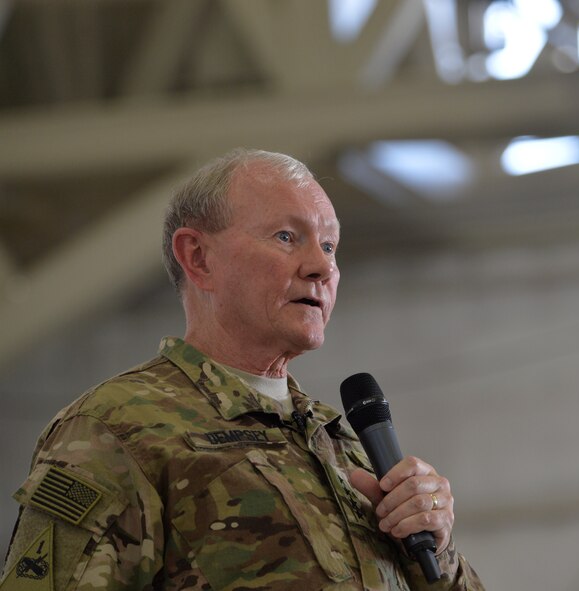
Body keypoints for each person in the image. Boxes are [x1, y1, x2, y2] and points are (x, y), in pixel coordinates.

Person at [0, 149, 484, 590]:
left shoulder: (340, 445)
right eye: (287, 236)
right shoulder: (116, 431)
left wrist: (437, 547)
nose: (321, 266)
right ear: (198, 257)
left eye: (331, 245)